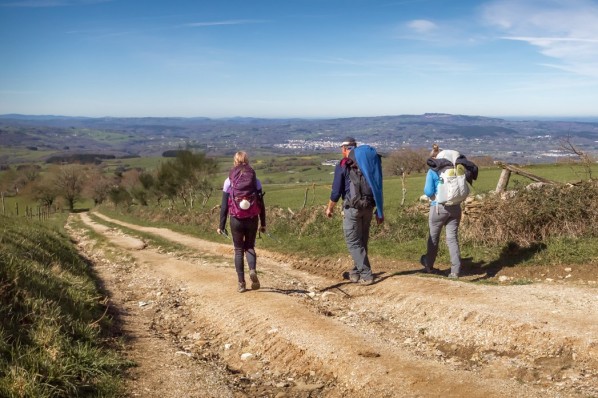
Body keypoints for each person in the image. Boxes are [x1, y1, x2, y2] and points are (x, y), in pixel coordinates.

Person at [325, 137, 383, 285]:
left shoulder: (343, 164)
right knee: (362, 241)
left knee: (353, 241)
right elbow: (377, 184)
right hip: (369, 207)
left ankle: (366, 274)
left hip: (353, 208)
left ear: (344, 149)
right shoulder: (367, 163)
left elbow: (336, 191)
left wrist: (330, 208)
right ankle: (356, 272)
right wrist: (379, 210)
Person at [420, 145, 476, 279]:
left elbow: (428, 191)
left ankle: (429, 265)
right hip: (456, 208)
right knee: (452, 239)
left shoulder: (434, 171)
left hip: (438, 208)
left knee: (433, 238)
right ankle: (455, 271)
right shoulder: (458, 169)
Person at [217, 151, 266, 293]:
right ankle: (252, 270)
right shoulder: (255, 181)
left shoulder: (228, 181)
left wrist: (221, 226)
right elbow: (261, 204)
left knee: (238, 250)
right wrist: (263, 223)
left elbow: (224, 206)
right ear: (247, 161)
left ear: (235, 162)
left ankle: (241, 283)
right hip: (252, 218)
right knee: (249, 246)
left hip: (236, 219)